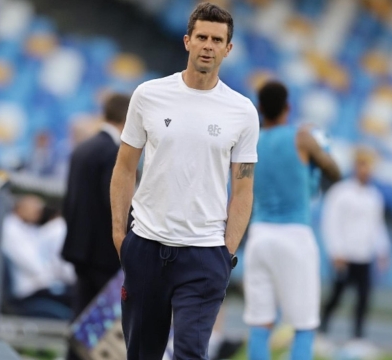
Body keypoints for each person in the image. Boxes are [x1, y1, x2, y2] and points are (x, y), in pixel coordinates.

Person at [110, 3, 259, 359]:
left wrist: (227, 252)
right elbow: (124, 168)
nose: (208, 45)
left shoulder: (242, 112)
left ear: (228, 49)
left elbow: (243, 188)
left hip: (205, 254)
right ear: (187, 41)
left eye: (217, 39)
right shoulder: (148, 95)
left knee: (191, 353)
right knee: (142, 354)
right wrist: (120, 236)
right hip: (146, 246)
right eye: (202, 37)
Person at [243, 80, 340, 360]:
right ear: (289, 107)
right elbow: (334, 172)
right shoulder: (302, 137)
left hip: (259, 235)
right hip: (294, 236)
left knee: (260, 324)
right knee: (303, 325)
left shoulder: (252, 141)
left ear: (259, 108)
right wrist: (320, 148)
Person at [61, 94, 130, 359]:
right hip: (102, 251)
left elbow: (70, 200)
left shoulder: (84, 147)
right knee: (98, 324)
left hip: (79, 248)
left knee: (80, 314)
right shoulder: (113, 152)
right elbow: (113, 202)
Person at [319, 147, 390, 343]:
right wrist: (336, 251)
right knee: (336, 296)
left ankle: (358, 338)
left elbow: (377, 225)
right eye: (363, 165)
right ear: (356, 165)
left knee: (363, 299)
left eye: (370, 166)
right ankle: (322, 332)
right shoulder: (341, 192)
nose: (366, 170)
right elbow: (330, 223)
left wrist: (382, 250)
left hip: (364, 255)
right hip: (345, 254)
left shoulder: (374, 196)